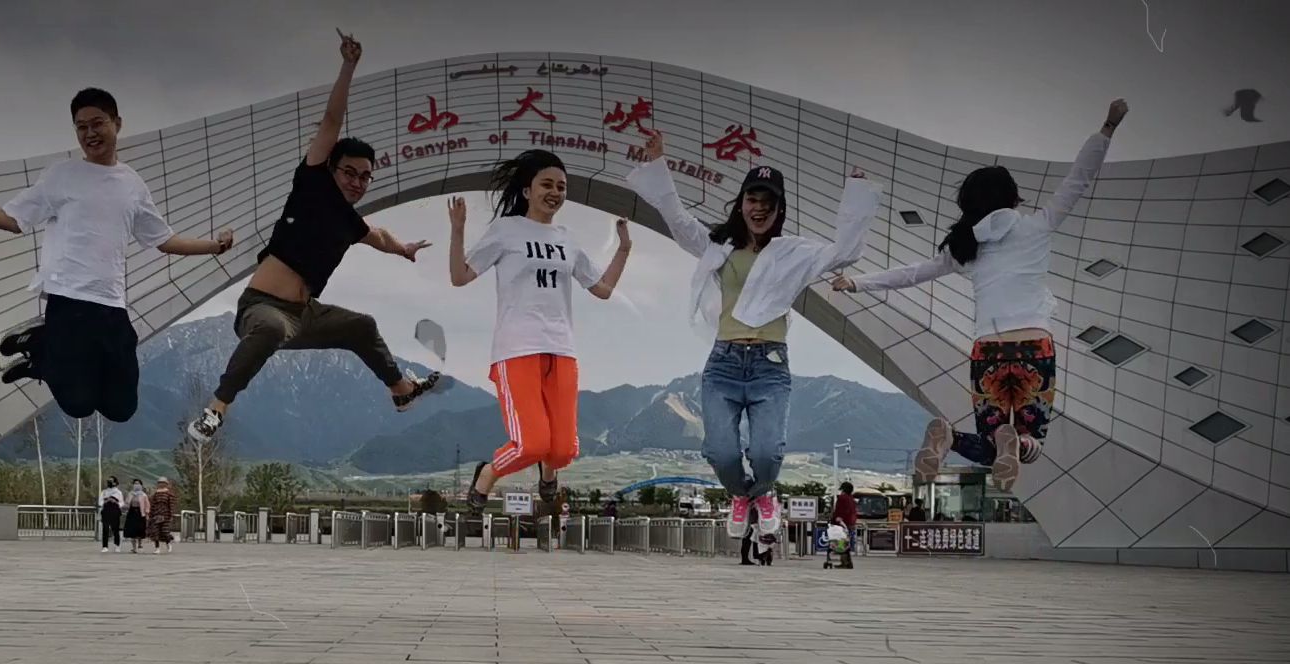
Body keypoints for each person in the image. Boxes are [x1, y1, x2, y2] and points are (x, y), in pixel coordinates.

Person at [834, 99, 1130, 492]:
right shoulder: (1038, 226)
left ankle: (950, 438)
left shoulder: (965, 246)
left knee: (993, 445)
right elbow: (1079, 179)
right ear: (1014, 198)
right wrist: (1108, 126)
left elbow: (912, 274)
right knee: (1031, 443)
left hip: (987, 349)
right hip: (1034, 345)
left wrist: (856, 282)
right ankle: (1015, 440)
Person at [627, 132, 881, 543]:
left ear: (778, 209)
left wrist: (856, 196)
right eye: (752, 200)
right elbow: (676, 219)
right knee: (720, 452)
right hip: (724, 362)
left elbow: (845, 253)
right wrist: (658, 165)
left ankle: (761, 494)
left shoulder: (792, 252)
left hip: (770, 365)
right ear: (741, 203)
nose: (758, 209)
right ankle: (744, 496)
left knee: (766, 452)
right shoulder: (718, 246)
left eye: (768, 203)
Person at [188, 30, 439, 444]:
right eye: (349, 172)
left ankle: (400, 391)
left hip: (305, 314)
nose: (357, 182)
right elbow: (331, 121)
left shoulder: (349, 222)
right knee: (268, 329)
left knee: (362, 326)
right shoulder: (311, 183)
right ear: (331, 169)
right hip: (262, 309)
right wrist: (349, 65)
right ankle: (216, 410)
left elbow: (379, 235)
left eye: (365, 177)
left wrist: (405, 249)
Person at [0, 88, 233, 422]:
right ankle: (43, 352)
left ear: (117, 124)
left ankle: (44, 350)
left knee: (121, 409)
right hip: (69, 301)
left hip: (111, 304)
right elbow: (12, 220)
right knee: (78, 406)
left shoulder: (132, 184)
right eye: (82, 127)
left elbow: (165, 240)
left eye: (98, 123)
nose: (90, 134)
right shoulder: (61, 176)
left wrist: (215, 246)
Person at [447, 150, 631, 512]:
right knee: (530, 444)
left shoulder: (568, 239)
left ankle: (549, 473)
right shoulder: (506, 230)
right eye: (546, 184)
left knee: (563, 451)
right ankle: (487, 474)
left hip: (562, 350)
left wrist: (624, 248)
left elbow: (603, 289)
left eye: (562, 187)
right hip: (516, 350)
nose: (555, 192)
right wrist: (457, 231)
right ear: (527, 190)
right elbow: (460, 277)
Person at [830, 481, 858, 569]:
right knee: (846, 543)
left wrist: (835, 519)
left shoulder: (842, 498)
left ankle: (845, 562)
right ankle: (848, 562)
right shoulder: (852, 499)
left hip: (842, 523)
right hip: (850, 523)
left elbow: (839, 510)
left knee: (841, 543)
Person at [147, 476, 178, 553]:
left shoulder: (169, 494)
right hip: (156, 515)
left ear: (166, 484)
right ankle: (157, 548)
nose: (161, 484)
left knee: (165, 531)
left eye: (163, 483)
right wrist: (151, 515)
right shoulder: (155, 494)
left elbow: (172, 505)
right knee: (155, 531)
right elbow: (152, 505)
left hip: (165, 515)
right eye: (160, 483)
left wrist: (171, 515)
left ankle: (168, 543)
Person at [123, 478, 150, 552]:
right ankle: (134, 547)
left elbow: (147, 505)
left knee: (140, 529)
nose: (136, 485)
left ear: (141, 485)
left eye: (138, 483)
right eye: (135, 483)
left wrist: (147, 513)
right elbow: (126, 503)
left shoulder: (143, 495)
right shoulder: (130, 493)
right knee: (132, 531)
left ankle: (140, 544)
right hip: (132, 513)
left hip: (140, 513)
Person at [98, 476, 124, 552]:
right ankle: (105, 546)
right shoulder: (104, 492)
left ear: (115, 482)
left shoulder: (118, 492)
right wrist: (105, 501)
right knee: (105, 528)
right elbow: (100, 502)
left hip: (115, 511)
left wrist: (116, 502)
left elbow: (122, 502)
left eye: (111, 481)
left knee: (115, 529)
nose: (109, 482)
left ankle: (117, 545)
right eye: (108, 481)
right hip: (106, 511)